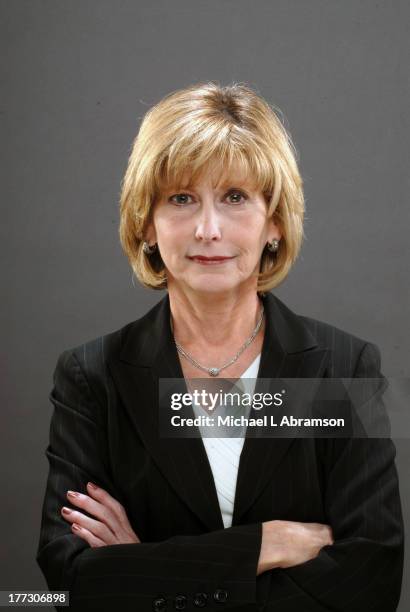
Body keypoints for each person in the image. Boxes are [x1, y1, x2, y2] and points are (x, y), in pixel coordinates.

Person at [36, 82, 404, 611]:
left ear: (274, 223)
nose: (208, 229)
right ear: (146, 223)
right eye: (181, 198)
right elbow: (72, 582)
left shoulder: (344, 370)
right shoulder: (92, 377)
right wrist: (261, 545)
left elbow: (371, 581)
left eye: (235, 198)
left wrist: (151, 571)